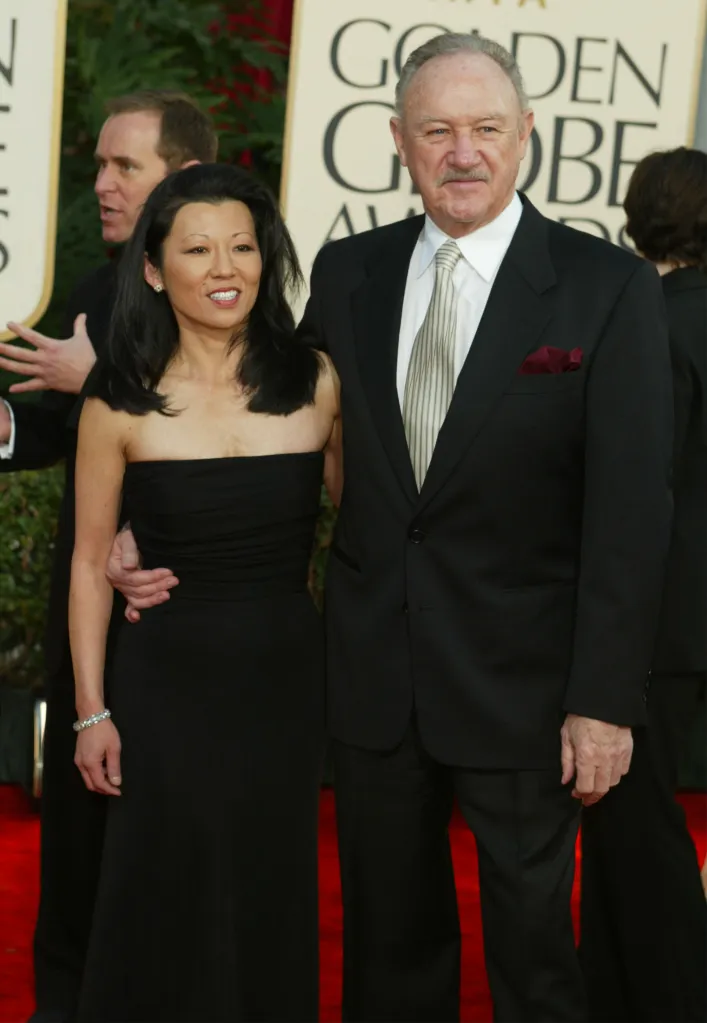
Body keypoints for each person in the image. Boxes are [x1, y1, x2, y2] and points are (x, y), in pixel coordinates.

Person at [110, 34, 673, 1022]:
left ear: (525, 137)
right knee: (388, 949)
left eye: (485, 130)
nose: (463, 153)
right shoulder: (346, 273)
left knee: (533, 953)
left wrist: (602, 699)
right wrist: (135, 523)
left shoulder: (604, 288)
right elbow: (261, 414)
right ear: (399, 143)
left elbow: (629, 513)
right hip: (373, 679)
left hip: (529, 690)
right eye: (437, 131)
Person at [70, 161, 340, 1022]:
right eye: (197, 249)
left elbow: (377, 529)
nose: (225, 268)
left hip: (284, 682)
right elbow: (86, 562)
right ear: (154, 269)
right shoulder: (118, 402)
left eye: (242, 247)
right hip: (163, 681)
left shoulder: (316, 383)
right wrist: (90, 710)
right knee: (159, 879)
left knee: (269, 879)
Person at [0, 89, 218, 1023]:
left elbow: (244, 431)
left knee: (167, 846)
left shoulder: (230, 292)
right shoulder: (94, 287)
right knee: (77, 849)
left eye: (124, 165)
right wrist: (9, 422)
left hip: (188, 614)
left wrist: (104, 385)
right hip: (83, 610)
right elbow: (51, 428)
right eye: (98, 165)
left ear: (182, 175)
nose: (101, 184)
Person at [579, 146, 707, 1023]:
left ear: (632, 217)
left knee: (631, 818)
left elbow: (636, 482)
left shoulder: (644, 326)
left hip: (663, 614)